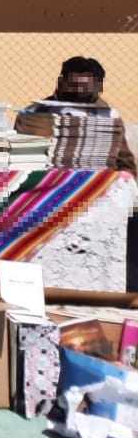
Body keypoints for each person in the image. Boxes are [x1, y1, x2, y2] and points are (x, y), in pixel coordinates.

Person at [43, 56, 136, 290]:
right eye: (73, 89)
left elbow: (125, 162)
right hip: (49, 195)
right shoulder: (38, 114)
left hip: (96, 197)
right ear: (61, 83)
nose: (79, 96)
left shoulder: (109, 117)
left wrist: (123, 181)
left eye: (87, 92)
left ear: (98, 88)